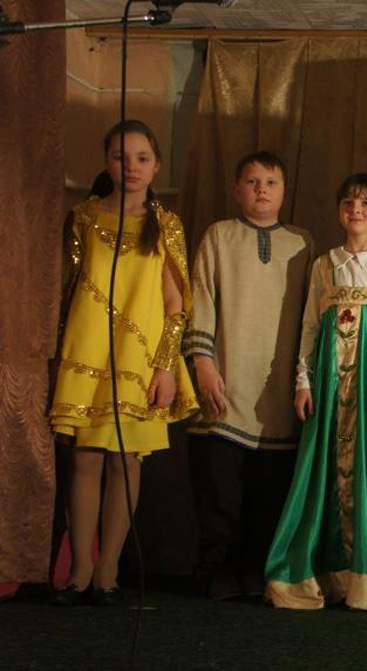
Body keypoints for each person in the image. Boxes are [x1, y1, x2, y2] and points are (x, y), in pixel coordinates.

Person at [50, 120, 199, 606]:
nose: (131, 166)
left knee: (125, 459)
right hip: (87, 352)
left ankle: (109, 573)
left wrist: (164, 366)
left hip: (140, 359)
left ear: (156, 166)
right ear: (106, 162)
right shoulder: (83, 217)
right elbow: (66, 291)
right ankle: (80, 571)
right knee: (85, 459)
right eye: (120, 156)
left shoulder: (166, 224)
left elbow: (176, 307)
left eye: (141, 158)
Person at [264, 173, 367, 610]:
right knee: (322, 470)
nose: (356, 209)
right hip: (330, 388)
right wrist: (303, 379)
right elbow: (310, 326)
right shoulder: (324, 265)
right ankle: (323, 570)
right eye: (348, 202)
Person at [184, 150, 313, 600]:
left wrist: (305, 379)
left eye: (271, 182)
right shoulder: (219, 236)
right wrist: (203, 361)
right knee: (219, 494)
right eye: (253, 182)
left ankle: (259, 572)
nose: (262, 190)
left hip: (277, 394)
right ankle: (216, 572)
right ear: (237, 189)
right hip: (225, 382)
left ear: (285, 191)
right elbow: (200, 298)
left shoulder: (302, 243)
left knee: (267, 494)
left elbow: (310, 317)